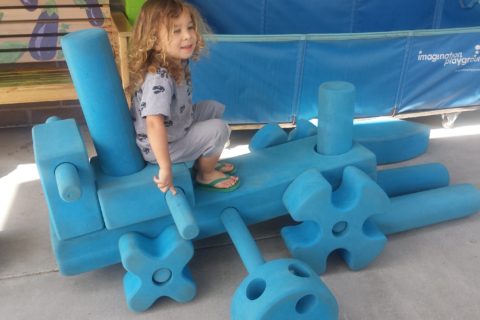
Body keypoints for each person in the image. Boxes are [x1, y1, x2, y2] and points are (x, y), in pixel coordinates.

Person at [127, 0, 239, 194]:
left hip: (176, 126)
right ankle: (205, 173)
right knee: (220, 129)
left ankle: (203, 158)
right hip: (162, 146)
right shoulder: (158, 79)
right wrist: (165, 167)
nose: (188, 36)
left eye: (189, 27)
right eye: (176, 31)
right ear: (154, 39)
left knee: (212, 107)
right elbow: (153, 123)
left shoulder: (174, 61)